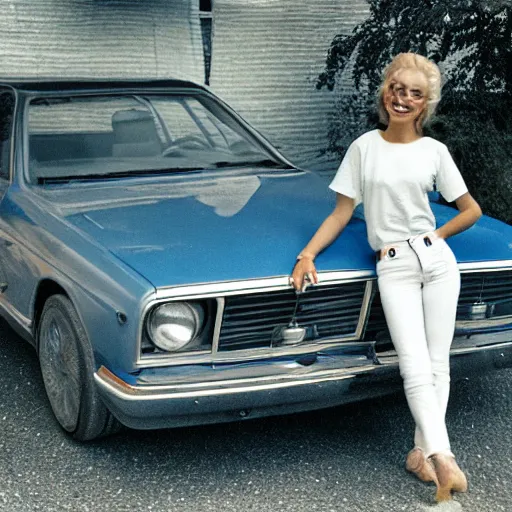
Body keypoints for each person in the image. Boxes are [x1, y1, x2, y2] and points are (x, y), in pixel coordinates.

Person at [290, 53, 482, 502]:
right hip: (392, 263)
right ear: (386, 91)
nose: (404, 98)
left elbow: (471, 210)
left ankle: (424, 455)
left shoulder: (435, 152)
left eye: (415, 94)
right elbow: (342, 213)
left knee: (438, 363)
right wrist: (308, 253)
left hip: (437, 260)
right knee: (413, 363)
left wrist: (437, 233)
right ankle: (445, 457)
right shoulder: (364, 148)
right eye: (398, 88)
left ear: (425, 104)